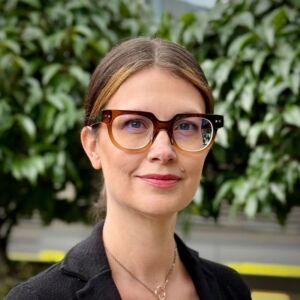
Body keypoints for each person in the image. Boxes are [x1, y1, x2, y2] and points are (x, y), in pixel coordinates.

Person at [6, 37, 252, 300]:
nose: (163, 152)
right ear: (93, 146)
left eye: (186, 126)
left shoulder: (231, 291)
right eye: (135, 124)